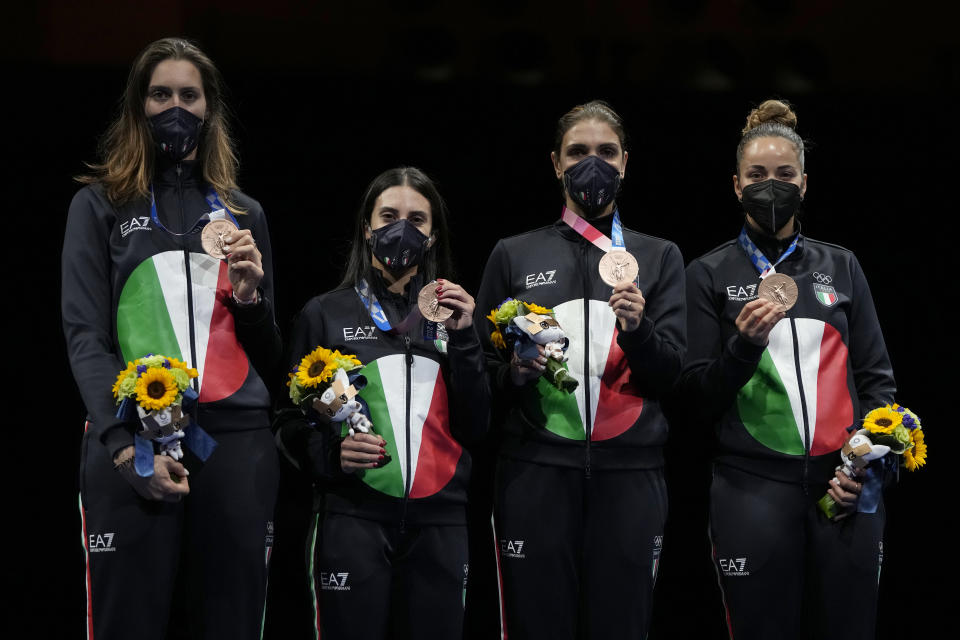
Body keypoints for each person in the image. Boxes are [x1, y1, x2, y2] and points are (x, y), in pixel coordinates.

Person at [63, 37, 281, 639]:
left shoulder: (244, 213)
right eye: (161, 94)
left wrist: (249, 296)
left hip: (237, 444)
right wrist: (124, 445)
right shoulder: (99, 205)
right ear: (139, 105)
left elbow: (270, 356)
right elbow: (85, 336)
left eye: (190, 94)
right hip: (136, 435)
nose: (175, 107)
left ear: (210, 108)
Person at [679, 99, 895, 640]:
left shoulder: (841, 266)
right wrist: (743, 346)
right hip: (750, 492)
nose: (769, 186)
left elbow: (876, 381)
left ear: (804, 183)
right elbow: (694, 397)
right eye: (756, 175)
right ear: (735, 185)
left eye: (783, 174)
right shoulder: (708, 273)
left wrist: (862, 470)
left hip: (843, 493)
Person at [473, 100, 686, 638]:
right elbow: (476, 371)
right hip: (534, 472)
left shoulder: (659, 257)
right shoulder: (513, 254)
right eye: (578, 152)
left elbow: (673, 378)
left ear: (626, 162)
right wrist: (513, 374)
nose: (594, 164)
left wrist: (640, 330)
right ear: (555, 162)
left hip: (631, 477)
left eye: (607, 152)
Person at [279, 167, 490, 639]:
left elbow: (477, 426)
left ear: (433, 237)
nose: (402, 229)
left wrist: (467, 341)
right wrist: (330, 456)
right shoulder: (325, 313)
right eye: (389, 215)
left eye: (417, 220)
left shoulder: (453, 318)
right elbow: (288, 422)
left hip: (441, 524)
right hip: (352, 519)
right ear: (367, 227)